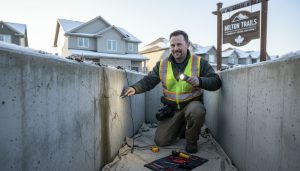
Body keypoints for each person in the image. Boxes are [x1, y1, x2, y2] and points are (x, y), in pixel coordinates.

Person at [122, 30, 222, 153]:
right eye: (173, 45)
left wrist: (200, 81)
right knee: (161, 141)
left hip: (191, 105)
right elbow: (149, 81)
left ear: (188, 44)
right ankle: (180, 127)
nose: (175, 49)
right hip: (172, 108)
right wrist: (135, 88)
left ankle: (191, 141)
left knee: (197, 111)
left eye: (179, 44)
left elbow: (216, 82)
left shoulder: (200, 62)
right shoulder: (162, 65)